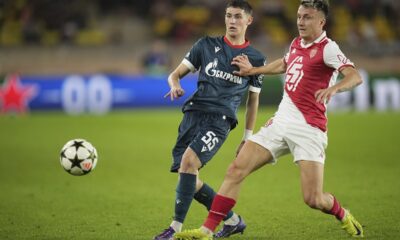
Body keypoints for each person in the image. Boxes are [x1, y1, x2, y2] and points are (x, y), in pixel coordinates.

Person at [174, 0, 364, 239]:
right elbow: (284, 64)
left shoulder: (328, 48)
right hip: (281, 121)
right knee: (236, 169)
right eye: (299, 16)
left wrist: (334, 89)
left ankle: (342, 214)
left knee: (313, 199)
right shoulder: (296, 43)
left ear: (321, 22)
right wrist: (252, 71)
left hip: (309, 128)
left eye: (307, 17)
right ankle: (207, 231)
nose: (300, 22)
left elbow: (355, 76)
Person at [153, 1, 266, 239]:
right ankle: (233, 220)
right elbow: (175, 74)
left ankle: (174, 228)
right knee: (189, 177)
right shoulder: (205, 45)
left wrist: (248, 137)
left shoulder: (256, 58)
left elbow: (253, 101)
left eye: (237, 16)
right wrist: (174, 85)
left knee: (188, 162)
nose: (232, 21)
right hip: (193, 115)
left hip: (220, 120)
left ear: (248, 20)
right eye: (228, 16)